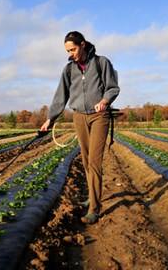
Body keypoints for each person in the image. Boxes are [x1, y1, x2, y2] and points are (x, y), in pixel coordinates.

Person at [40, 31, 120, 224]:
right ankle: (92, 196)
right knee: (85, 160)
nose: (71, 53)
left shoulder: (101, 63)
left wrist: (105, 100)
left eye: (73, 49)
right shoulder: (68, 70)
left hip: (99, 116)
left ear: (83, 45)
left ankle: (94, 208)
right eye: (68, 51)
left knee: (94, 161)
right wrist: (50, 118)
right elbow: (61, 96)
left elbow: (112, 87)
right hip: (79, 117)